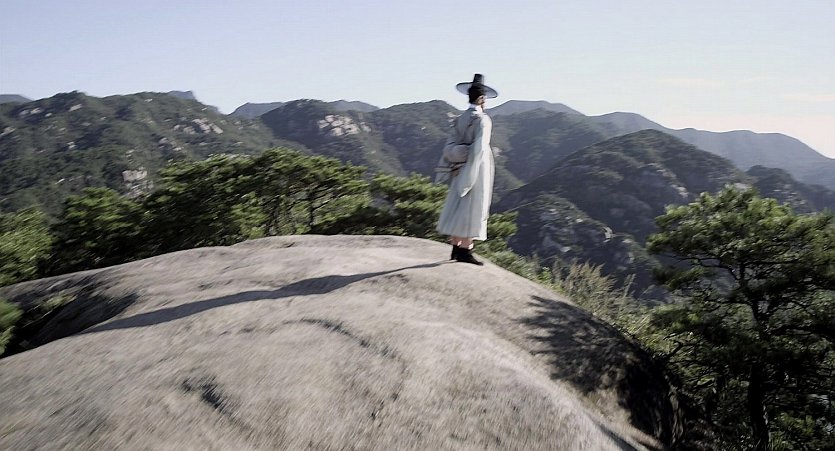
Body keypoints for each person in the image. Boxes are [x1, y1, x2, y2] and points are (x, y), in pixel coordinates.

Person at [436, 74, 498, 266]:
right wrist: (471, 172)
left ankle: (455, 247)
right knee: (473, 205)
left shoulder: (459, 119)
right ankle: (465, 249)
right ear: (481, 98)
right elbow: (479, 148)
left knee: (458, 205)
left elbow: (449, 146)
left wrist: (457, 159)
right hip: (476, 167)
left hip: (458, 167)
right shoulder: (483, 120)